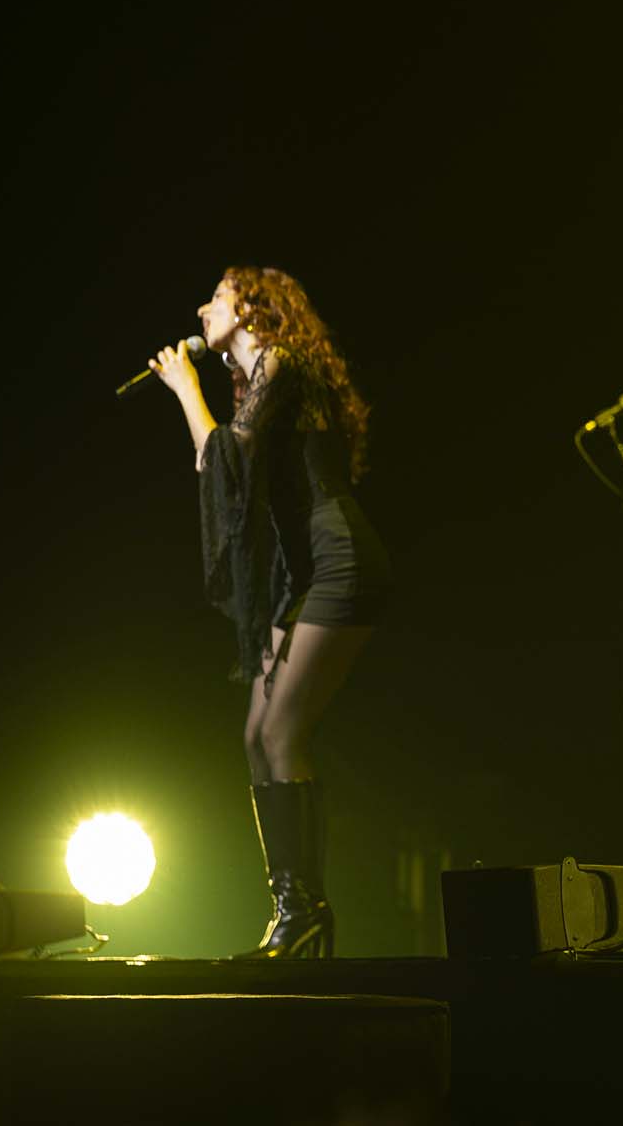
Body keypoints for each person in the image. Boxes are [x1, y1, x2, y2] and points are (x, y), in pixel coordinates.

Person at [148, 266, 392, 957]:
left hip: (340, 559)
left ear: (254, 308)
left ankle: (306, 913)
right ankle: (295, 905)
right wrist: (190, 398)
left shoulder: (286, 360)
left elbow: (228, 451)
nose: (201, 307)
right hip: (304, 575)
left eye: (217, 297)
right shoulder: (258, 384)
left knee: (282, 730)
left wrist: (187, 388)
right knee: (257, 732)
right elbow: (217, 464)